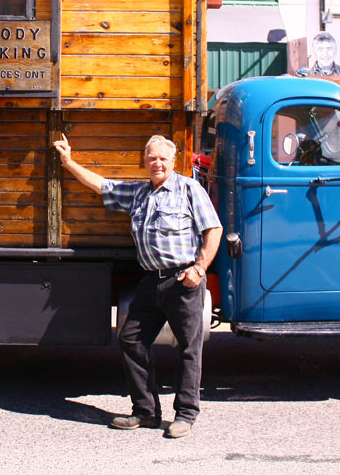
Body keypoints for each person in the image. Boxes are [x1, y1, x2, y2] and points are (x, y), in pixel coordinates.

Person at [53, 132, 221, 439]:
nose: (157, 163)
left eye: (163, 158)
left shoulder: (188, 189)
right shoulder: (139, 194)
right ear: (145, 162)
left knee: (189, 349)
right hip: (151, 281)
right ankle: (146, 412)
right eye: (152, 158)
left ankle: (185, 415)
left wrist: (199, 269)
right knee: (131, 340)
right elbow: (101, 185)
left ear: (173, 161)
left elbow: (214, 229)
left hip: (183, 280)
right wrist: (68, 163)